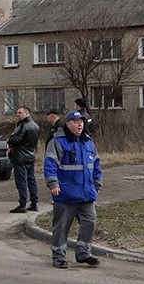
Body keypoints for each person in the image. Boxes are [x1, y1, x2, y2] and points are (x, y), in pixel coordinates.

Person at [43, 110, 103, 269]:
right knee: (61, 226)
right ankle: (59, 256)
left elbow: (96, 165)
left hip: (86, 193)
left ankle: (84, 253)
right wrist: (53, 184)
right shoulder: (58, 142)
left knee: (90, 222)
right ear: (68, 124)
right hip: (65, 194)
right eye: (76, 122)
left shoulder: (88, 142)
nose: (80, 124)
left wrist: (97, 184)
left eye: (81, 122)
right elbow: (50, 164)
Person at [7, 106, 41, 213]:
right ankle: (34, 203)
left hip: (20, 157)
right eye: (17, 112)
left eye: (20, 113)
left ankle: (22, 204)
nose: (18, 114)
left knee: (21, 181)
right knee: (31, 180)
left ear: (27, 113)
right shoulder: (35, 126)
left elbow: (17, 139)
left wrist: (10, 140)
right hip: (30, 156)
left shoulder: (23, 125)